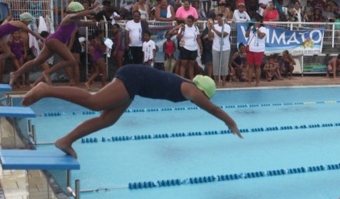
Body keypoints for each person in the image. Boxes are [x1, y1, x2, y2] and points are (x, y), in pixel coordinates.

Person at [21, 67, 242, 159]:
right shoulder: (190, 90)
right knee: (95, 102)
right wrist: (230, 122)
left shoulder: (189, 87)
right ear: (203, 91)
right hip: (133, 77)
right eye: (205, 96)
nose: (203, 100)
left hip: (135, 84)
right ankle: (45, 89)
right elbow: (211, 108)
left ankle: (66, 140)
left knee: (107, 120)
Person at [9, 2, 100, 87]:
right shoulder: (69, 17)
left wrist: (97, 23)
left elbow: (84, 23)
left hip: (52, 41)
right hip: (55, 41)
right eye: (80, 11)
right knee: (72, 60)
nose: (81, 13)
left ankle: (15, 73)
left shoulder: (75, 21)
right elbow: (77, 15)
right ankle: (47, 73)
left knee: (37, 61)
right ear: (75, 11)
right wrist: (92, 10)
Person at [245, 16, 267, 86]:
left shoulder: (263, 29)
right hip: (251, 49)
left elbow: (261, 36)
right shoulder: (251, 28)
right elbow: (246, 35)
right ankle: (249, 81)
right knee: (250, 65)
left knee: (257, 66)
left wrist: (257, 28)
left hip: (259, 50)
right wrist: (249, 27)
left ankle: (257, 82)